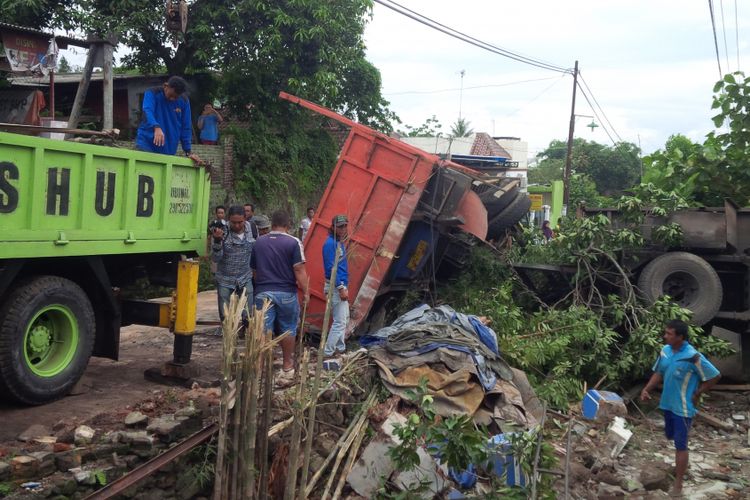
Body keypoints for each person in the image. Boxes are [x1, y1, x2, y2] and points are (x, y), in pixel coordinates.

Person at [640, 319, 720, 496]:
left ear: (680, 337)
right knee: (670, 435)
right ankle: (682, 465)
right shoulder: (666, 351)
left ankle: (679, 484)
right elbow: (659, 372)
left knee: (680, 445)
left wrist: (698, 392)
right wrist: (646, 389)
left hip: (683, 408)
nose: (665, 336)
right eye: (665, 332)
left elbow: (714, 375)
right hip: (667, 404)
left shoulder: (693, 356)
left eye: (669, 334)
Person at [251, 210, 309, 383]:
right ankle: (287, 366)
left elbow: (254, 271)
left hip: (263, 292)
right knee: (288, 329)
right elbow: (299, 269)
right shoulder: (293, 242)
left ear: (272, 224)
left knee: (262, 330)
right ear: (288, 224)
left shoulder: (258, 243)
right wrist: (306, 292)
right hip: (286, 293)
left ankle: (258, 370)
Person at [211, 205, 255, 328]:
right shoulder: (220, 232)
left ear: (245, 219)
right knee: (225, 316)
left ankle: (246, 336)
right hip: (225, 279)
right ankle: (228, 338)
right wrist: (217, 242)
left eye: (240, 222)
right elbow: (215, 258)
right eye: (233, 222)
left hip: (245, 277)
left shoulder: (252, 229)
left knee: (249, 315)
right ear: (228, 219)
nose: (236, 226)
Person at [135, 76, 197, 159]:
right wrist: (156, 127)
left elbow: (186, 126)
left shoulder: (184, 101)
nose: (172, 99)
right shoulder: (152, 93)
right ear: (166, 86)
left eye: (176, 97)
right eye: (171, 95)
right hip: (146, 143)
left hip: (168, 148)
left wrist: (188, 151)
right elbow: (147, 111)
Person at [322, 215, 349, 361]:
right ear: (333, 227)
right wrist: (340, 287)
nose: (343, 229)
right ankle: (327, 351)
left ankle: (340, 348)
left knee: (343, 318)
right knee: (340, 321)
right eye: (340, 226)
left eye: (345, 226)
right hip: (335, 286)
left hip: (340, 285)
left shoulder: (338, 243)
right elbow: (330, 268)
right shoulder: (330, 244)